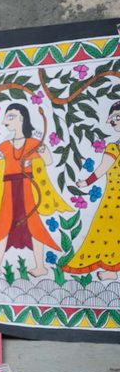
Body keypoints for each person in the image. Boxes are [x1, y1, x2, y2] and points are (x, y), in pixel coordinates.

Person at [0, 102, 70, 277]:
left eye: (10, 116)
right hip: (8, 189)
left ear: (22, 118)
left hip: (27, 188)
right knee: (3, 224)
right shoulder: (4, 146)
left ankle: (40, 267)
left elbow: (48, 161)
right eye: (5, 117)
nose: (5, 121)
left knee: (34, 225)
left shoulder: (34, 143)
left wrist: (34, 159)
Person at [63, 100, 120, 281]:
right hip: (115, 198)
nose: (115, 122)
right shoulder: (115, 147)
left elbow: (102, 169)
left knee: (110, 232)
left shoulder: (114, 148)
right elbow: (103, 168)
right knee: (111, 234)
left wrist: (85, 182)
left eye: (117, 118)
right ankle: (112, 270)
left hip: (115, 201)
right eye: (113, 119)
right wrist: (86, 182)